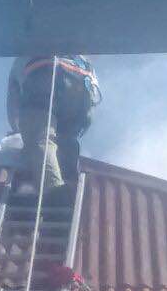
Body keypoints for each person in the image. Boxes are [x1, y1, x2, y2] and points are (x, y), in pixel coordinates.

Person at [6, 55, 101, 199]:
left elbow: (13, 102)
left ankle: (55, 189)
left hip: (46, 78)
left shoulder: (23, 53)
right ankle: (68, 181)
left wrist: (20, 129)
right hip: (84, 92)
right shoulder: (77, 48)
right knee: (65, 138)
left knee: (40, 136)